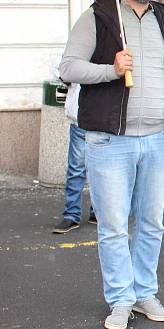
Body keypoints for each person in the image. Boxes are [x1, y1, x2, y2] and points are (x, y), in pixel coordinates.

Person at [59, 0, 164, 329]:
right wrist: (112, 69)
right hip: (109, 140)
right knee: (114, 226)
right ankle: (120, 299)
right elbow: (69, 67)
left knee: (152, 223)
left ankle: (143, 293)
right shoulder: (99, 16)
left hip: (157, 139)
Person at [52, 83, 95, 233]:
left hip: (102, 119)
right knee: (76, 169)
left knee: (101, 170)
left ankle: (96, 212)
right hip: (79, 118)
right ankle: (72, 214)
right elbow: (61, 70)